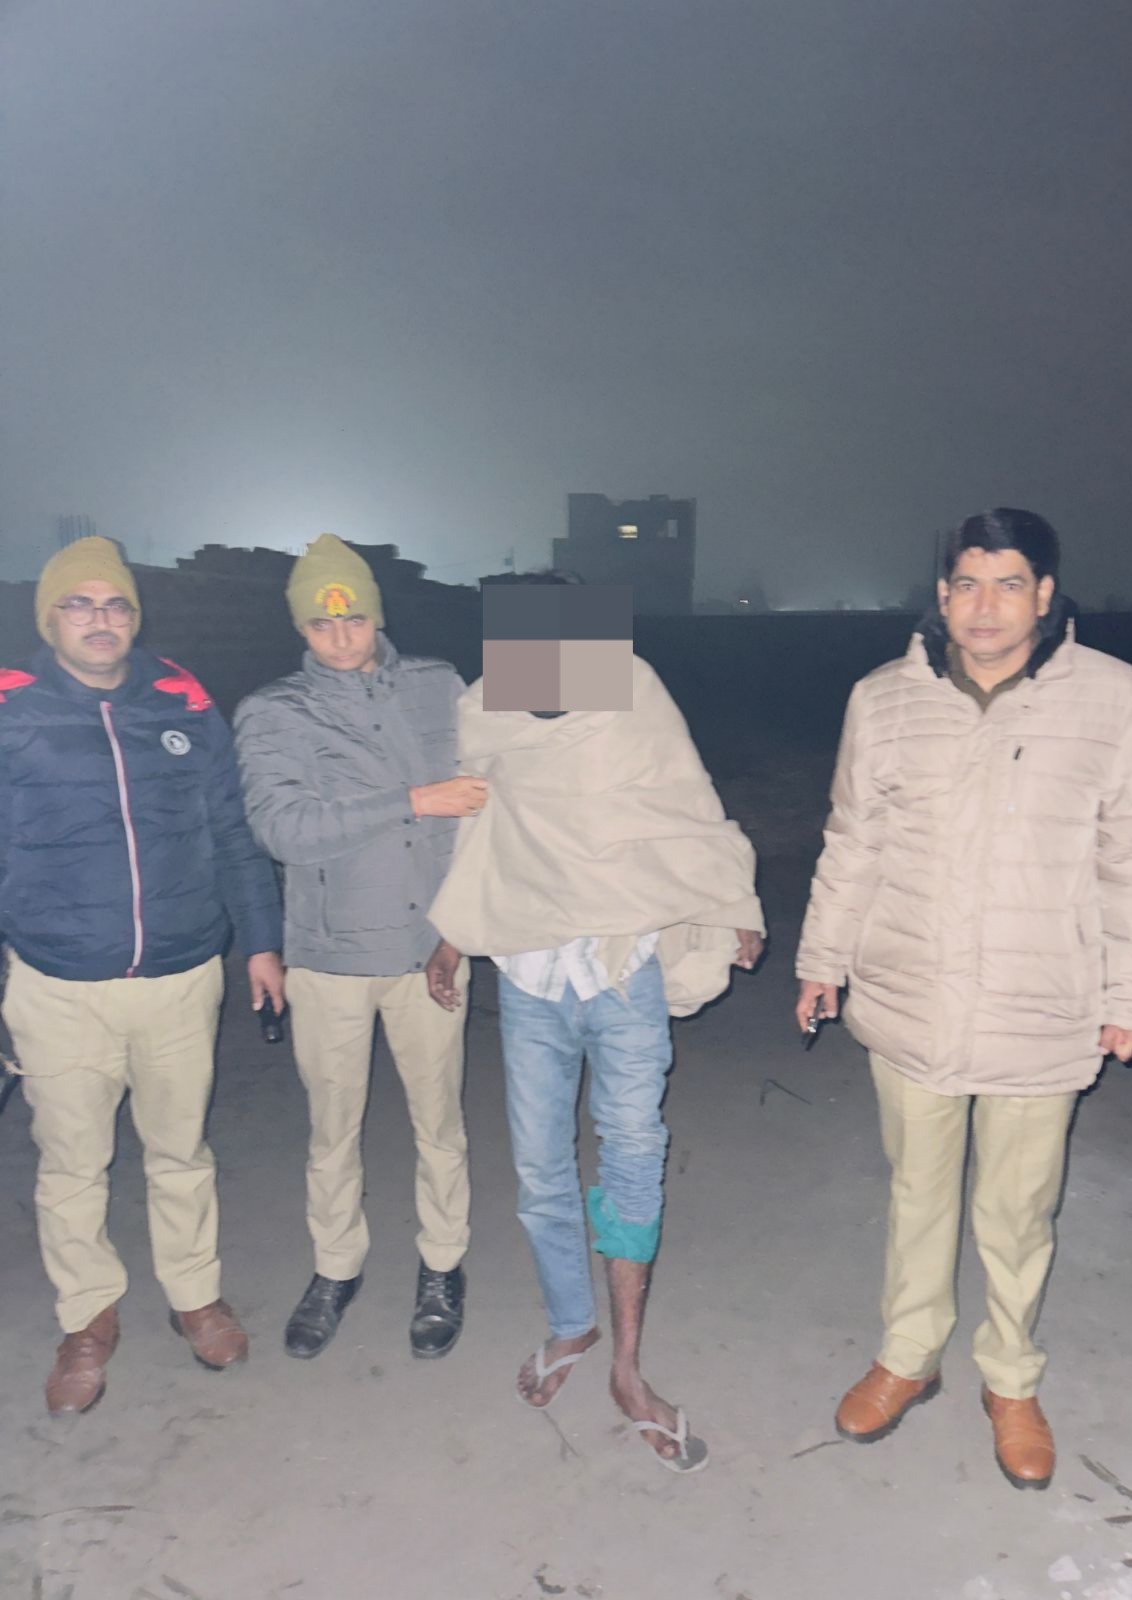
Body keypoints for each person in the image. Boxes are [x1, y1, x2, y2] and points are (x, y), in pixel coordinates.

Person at [795, 508, 1132, 1489]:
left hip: (1040, 999)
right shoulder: (882, 699)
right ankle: (908, 1355)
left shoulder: (1117, 699)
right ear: (942, 594)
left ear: (1044, 595)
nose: (984, 606)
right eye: (966, 584)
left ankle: (1010, 1379)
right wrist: (822, 959)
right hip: (911, 995)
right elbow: (853, 840)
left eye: (1008, 584)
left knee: (1018, 1211)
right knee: (917, 1192)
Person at [425, 578, 765, 1473]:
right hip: (531, 976)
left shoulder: (633, 692)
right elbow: (480, 832)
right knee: (540, 1169)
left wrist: (732, 900)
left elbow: (685, 802)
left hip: (621, 971)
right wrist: (452, 935)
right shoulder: (485, 712)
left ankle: (627, 1365)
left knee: (632, 1156)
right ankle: (571, 1323)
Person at [0, 537, 285, 1415]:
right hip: (59, 982)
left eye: (115, 604)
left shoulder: (183, 703)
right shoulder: (12, 710)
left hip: (180, 972)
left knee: (180, 1151)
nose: (100, 619)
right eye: (79, 604)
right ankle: (87, 1319)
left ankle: (195, 1296)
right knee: (71, 1163)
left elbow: (232, 832)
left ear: (135, 616)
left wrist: (261, 941)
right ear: (50, 618)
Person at [234, 534, 484, 1361]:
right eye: (321, 623)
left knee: (439, 1123)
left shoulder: (440, 684)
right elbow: (283, 829)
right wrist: (413, 799)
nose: (341, 638)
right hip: (329, 961)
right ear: (300, 628)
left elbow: (486, 805)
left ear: (378, 615)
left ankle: (442, 1265)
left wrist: (458, 932)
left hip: (430, 953)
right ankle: (335, 1269)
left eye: (355, 619)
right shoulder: (274, 711)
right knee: (332, 1131)